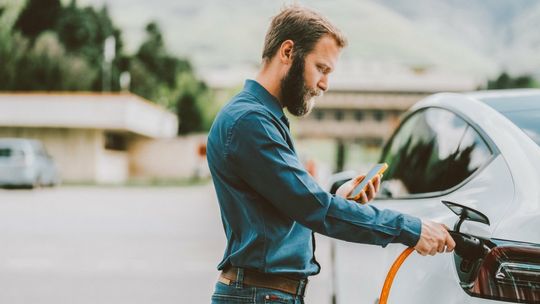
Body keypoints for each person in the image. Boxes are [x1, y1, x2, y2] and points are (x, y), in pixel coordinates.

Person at [207, 5, 455, 304]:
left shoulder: (259, 117)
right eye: (321, 68)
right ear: (287, 52)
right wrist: (411, 229)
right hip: (259, 295)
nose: (324, 83)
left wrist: (339, 195)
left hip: (264, 294)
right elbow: (314, 209)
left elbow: (290, 203)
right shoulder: (250, 122)